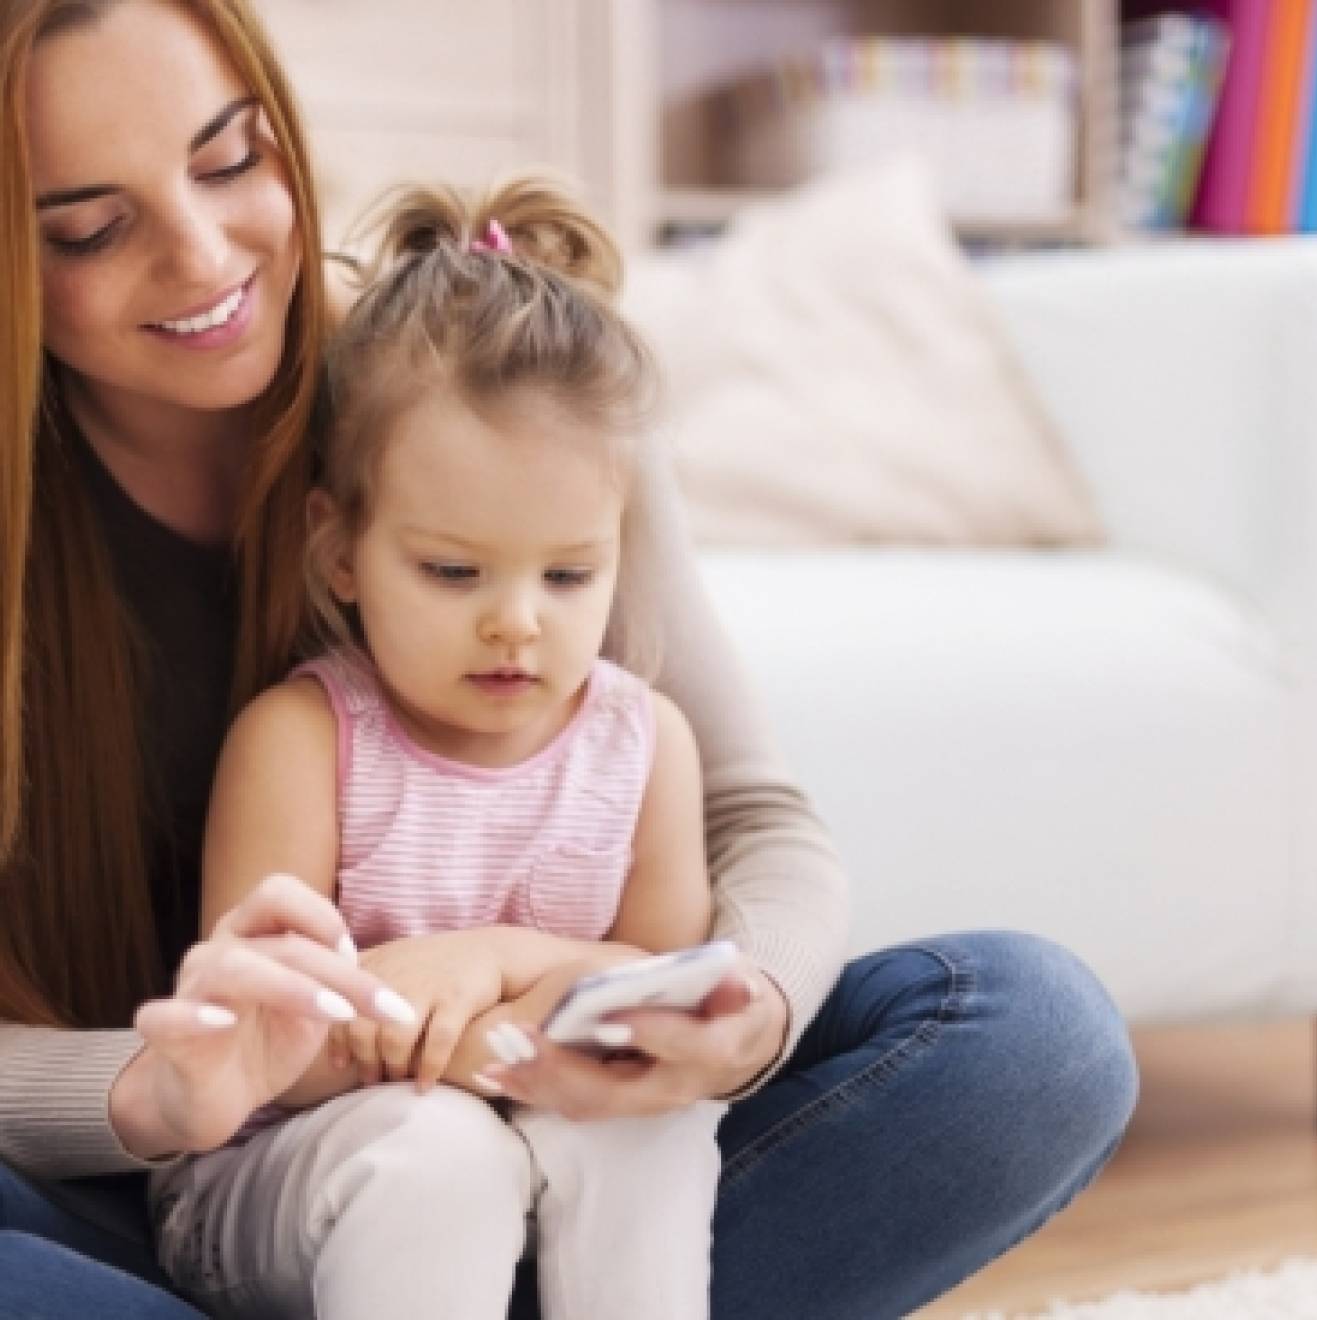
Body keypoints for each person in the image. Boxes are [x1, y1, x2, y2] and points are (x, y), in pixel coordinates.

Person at [0, 1, 1139, 1318]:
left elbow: (751, 825)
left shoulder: (499, 383)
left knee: (1032, 1038)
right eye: (91, 226)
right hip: (190, 1179)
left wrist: (723, 1022)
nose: (204, 255)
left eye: (229, 161)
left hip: (551, 1151)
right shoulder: (236, 684)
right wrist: (148, 1090)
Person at [150, 177, 728, 1320]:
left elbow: (665, 1011)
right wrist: (522, 1031)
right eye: (454, 572)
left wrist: (488, 960)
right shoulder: (303, 741)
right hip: (288, 1181)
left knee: (651, 1123)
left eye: (569, 575)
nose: (518, 620)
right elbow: (277, 1050)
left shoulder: (643, 743)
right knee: (442, 1155)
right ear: (342, 554)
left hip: (537, 1161)